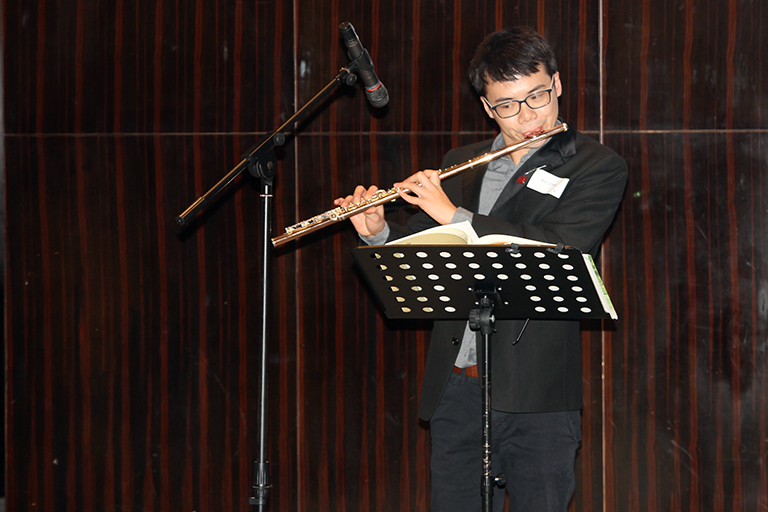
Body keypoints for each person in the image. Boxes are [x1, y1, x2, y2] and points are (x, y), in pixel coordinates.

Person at [335, 27, 628, 512]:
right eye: (508, 106)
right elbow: (434, 252)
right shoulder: (461, 163)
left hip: (538, 393)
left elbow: (560, 247)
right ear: (488, 108)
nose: (528, 116)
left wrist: (453, 213)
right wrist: (378, 231)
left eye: (537, 97)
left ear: (557, 85)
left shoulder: (596, 166)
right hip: (458, 384)